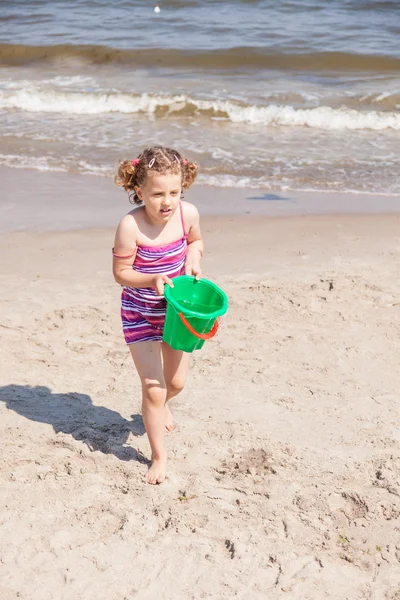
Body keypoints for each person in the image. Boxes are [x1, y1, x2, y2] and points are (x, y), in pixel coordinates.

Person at [112, 146, 203, 484]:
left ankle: (160, 404)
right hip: (140, 312)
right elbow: (121, 273)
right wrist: (151, 279)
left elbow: (195, 242)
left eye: (175, 192)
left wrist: (194, 258)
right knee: (154, 388)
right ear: (138, 191)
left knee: (175, 384)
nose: (167, 201)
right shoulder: (130, 225)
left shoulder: (187, 214)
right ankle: (159, 457)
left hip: (175, 313)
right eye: (157, 194)